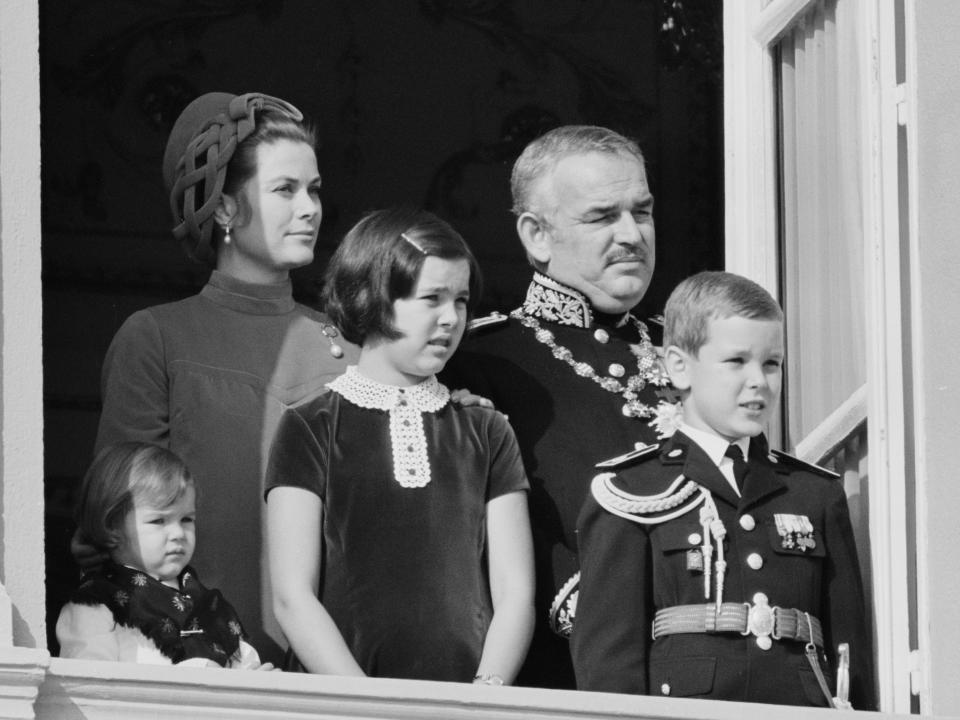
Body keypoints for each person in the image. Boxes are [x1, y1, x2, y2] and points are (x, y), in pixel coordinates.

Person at [87, 91, 359, 664]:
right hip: (196, 677)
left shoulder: (351, 350)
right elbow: (114, 534)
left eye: (314, 190)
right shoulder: (156, 338)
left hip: (336, 679)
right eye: (285, 189)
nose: (310, 208)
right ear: (227, 209)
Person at [571, 271, 876, 708]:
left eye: (772, 363)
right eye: (736, 362)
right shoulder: (632, 491)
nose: (759, 380)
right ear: (679, 366)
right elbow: (608, 665)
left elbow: (850, 659)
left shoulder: (815, 494)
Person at [440, 125, 674, 688]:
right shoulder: (479, 361)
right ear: (536, 235)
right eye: (601, 217)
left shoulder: (692, 354)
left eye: (641, 212)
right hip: (564, 678)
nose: (631, 235)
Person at [265, 207, 535, 683]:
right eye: (431, 298)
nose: (451, 318)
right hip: (342, 707)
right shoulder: (310, 426)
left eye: (462, 300)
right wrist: (364, 703)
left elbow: (516, 594)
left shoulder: (487, 430)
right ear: (371, 296)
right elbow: (292, 595)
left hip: (466, 705)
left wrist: (486, 697)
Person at [57, 442, 269, 669]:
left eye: (187, 519)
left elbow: (244, 666)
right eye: (158, 521)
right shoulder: (95, 605)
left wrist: (254, 679)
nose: (178, 533)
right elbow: (92, 690)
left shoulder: (209, 605)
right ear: (111, 526)